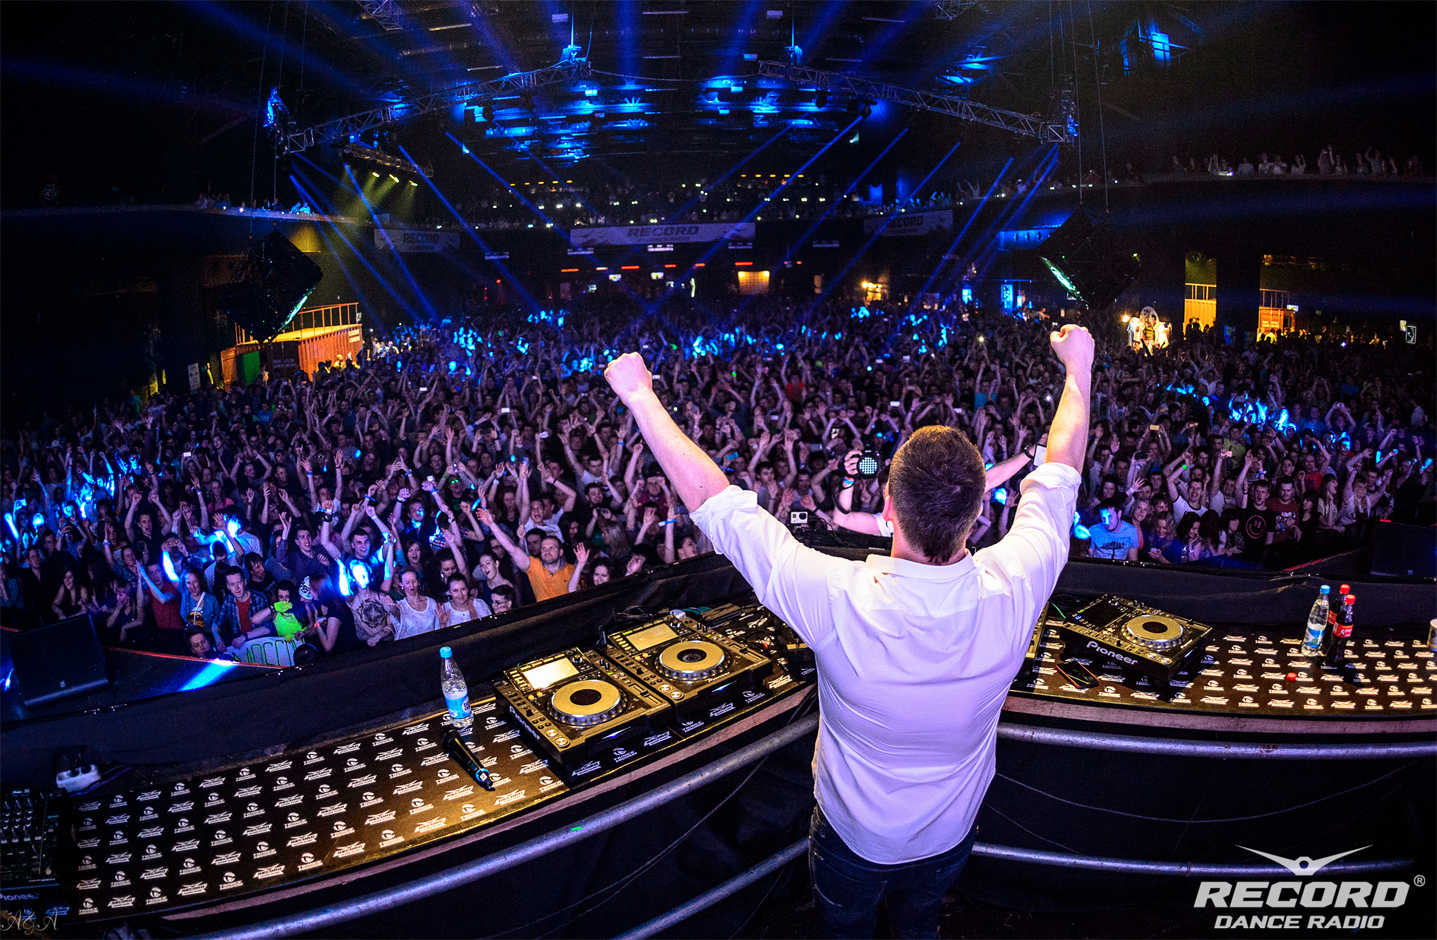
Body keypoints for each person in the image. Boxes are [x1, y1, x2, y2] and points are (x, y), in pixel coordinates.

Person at [601, 323, 1091, 939]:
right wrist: (1078, 370)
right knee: (919, 925)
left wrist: (640, 395)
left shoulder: (839, 597)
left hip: (853, 840)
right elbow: (1061, 471)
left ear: (886, 509)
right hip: (950, 834)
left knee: (846, 930)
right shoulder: (1017, 582)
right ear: (977, 513)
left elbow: (717, 506)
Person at [1088, 497, 1141, 561]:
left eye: (1110, 516)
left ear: (1119, 514)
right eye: (1103, 517)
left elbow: (1133, 560)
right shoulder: (1093, 531)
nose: (1107, 522)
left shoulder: (1131, 531)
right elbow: (1089, 558)